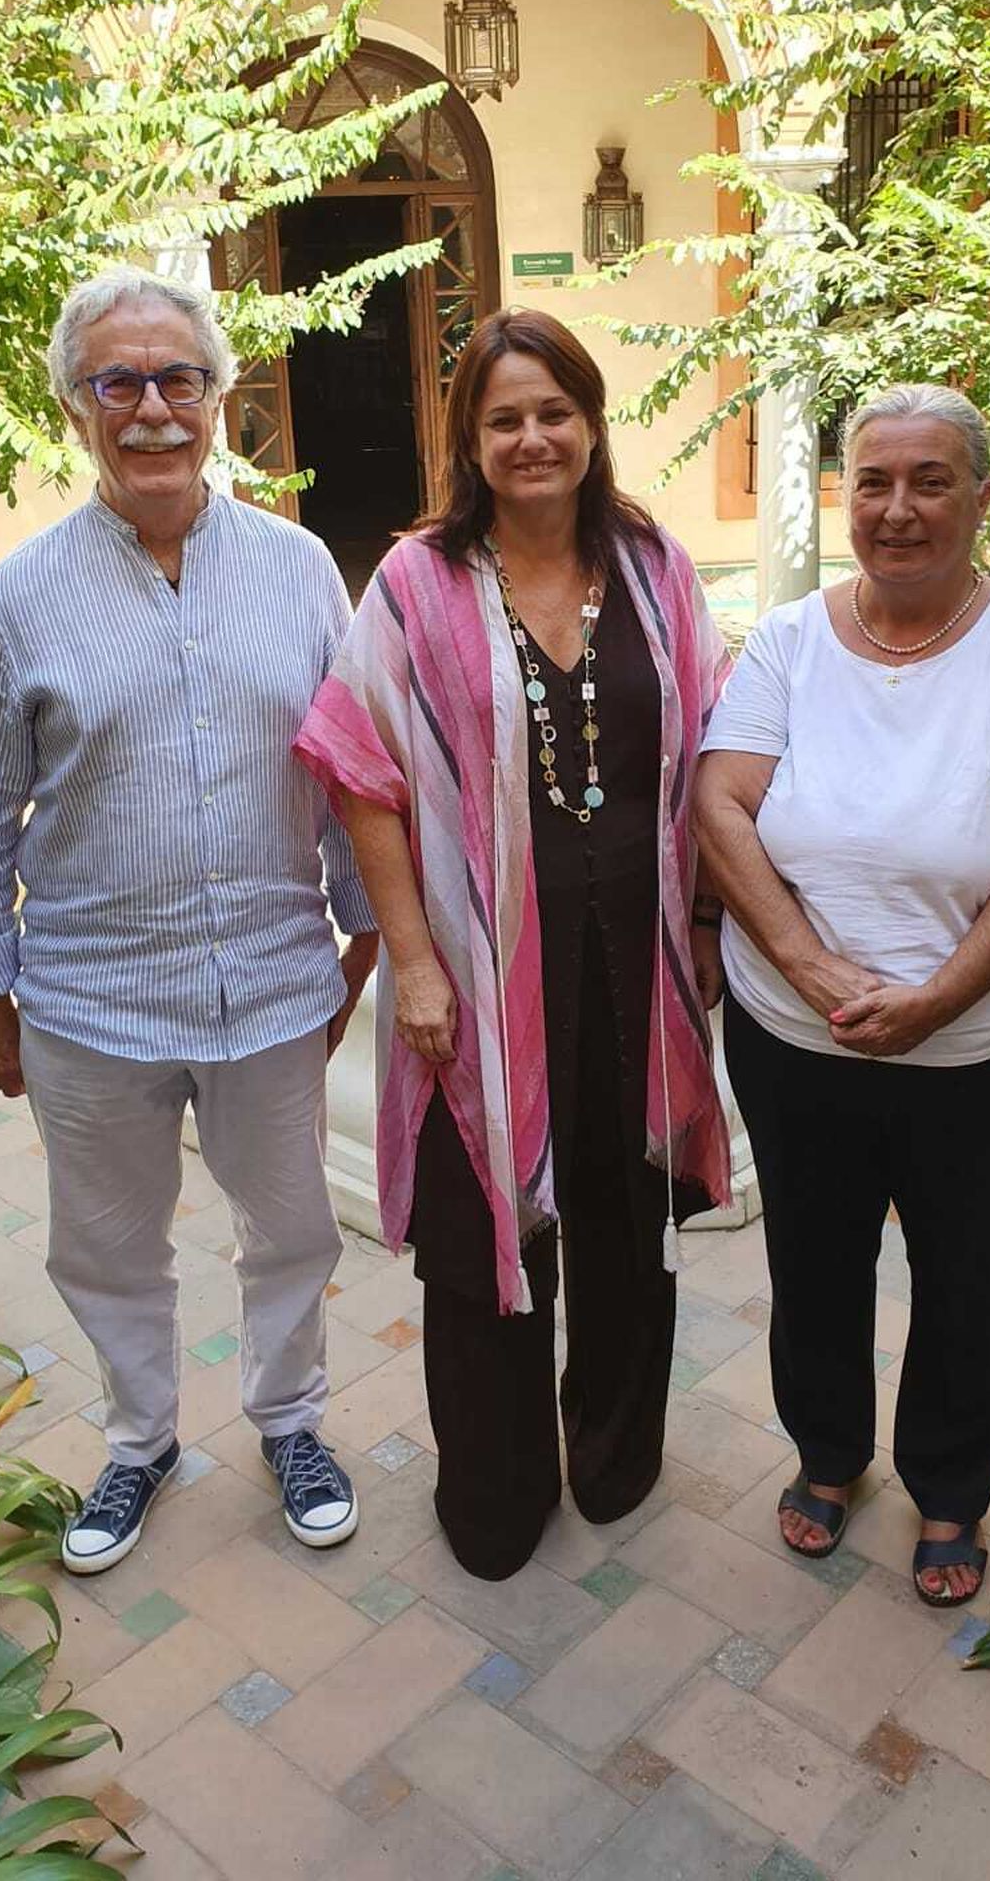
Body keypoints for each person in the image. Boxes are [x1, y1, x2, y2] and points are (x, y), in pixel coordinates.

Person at [0, 269, 378, 1574]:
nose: (153, 410)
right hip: (89, 1003)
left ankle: (289, 1420)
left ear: (219, 397)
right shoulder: (15, 601)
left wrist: (361, 933)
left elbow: (347, 774)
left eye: (179, 379)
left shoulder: (298, 573)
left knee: (291, 1225)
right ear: (74, 406)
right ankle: (139, 1440)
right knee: (109, 1244)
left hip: (274, 992)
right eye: (117, 382)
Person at [295, 307, 732, 1581]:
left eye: (554, 411)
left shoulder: (654, 565)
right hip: (477, 985)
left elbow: (712, 750)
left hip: (631, 967)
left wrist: (703, 918)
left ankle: (614, 1455)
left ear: (592, 423)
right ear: (469, 443)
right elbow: (361, 772)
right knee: (480, 1228)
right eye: (504, 419)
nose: (532, 437)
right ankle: (493, 1494)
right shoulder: (418, 581)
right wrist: (415, 959)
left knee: (619, 1216)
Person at [695, 382, 990, 1607]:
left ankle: (947, 1486)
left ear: (983, 497)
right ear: (844, 495)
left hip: (988, 1044)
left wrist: (935, 998)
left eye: (929, 480)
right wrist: (816, 970)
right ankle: (828, 1456)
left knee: (967, 1273)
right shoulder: (784, 642)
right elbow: (722, 804)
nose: (896, 509)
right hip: (797, 1032)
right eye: (872, 481)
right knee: (813, 1260)